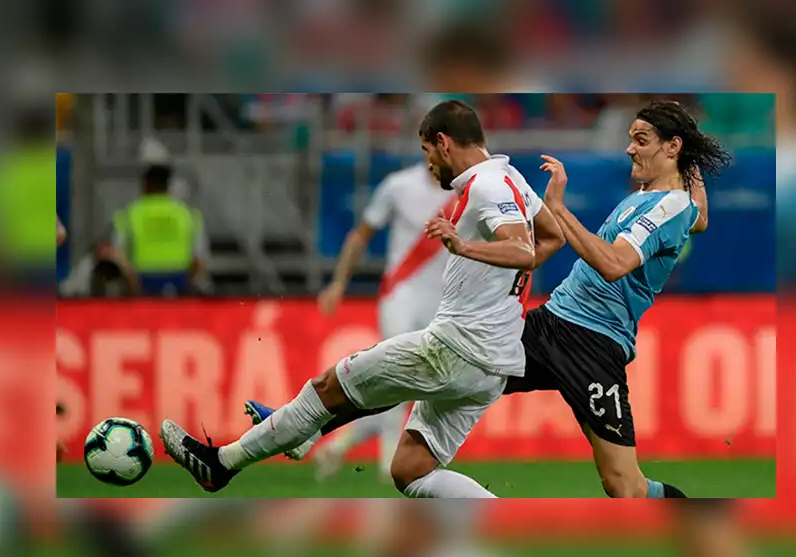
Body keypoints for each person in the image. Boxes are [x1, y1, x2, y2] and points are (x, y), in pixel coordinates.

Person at [250, 100, 728, 498]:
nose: (628, 148)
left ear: (671, 148)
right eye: (630, 137)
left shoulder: (670, 204)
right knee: (439, 371)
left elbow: (614, 263)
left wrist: (558, 211)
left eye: (640, 139)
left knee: (623, 486)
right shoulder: (656, 198)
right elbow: (700, 218)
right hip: (550, 324)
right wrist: (692, 156)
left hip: (595, 346)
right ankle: (312, 425)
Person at [160, 99, 565, 498]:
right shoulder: (512, 180)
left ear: (443, 142)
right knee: (410, 470)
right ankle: (502, 518)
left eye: (427, 151)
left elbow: (522, 250)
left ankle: (221, 464)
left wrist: (464, 248)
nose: (428, 164)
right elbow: (552, 238)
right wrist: (498, 269)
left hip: (458, 349)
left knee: (326, 386)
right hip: (494, 364)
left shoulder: (487, 186)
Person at [259, 162, 455, 483]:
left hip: (441, 302)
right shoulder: (399, 185)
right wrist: (338, 282)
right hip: (399, 296)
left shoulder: (466, 189)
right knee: (399, 373)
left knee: (411, 386)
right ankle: (388, 462)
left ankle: (338, 444)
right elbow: (361, 235)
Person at [109, 164, 208, 296]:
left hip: (142, 281)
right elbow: (200, 258)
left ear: (145, 185)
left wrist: (131, 284)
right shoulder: (187, 213)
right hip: (178, 281)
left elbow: (118, 255)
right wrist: (188, 285)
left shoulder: (129, 213)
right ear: (168, 186)